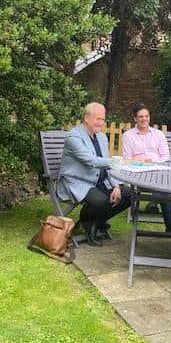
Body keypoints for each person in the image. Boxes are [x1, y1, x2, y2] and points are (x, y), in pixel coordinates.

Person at [57, 102, 131, 246]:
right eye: (97, 118)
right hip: (77, 182)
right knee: (102, 200)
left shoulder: (102, 137)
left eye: (102, 119)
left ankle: (94, 220)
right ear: (86, 118)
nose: (100, 123)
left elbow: (106, 165)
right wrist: (118, 161)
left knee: (128, 194)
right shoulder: (74, 137)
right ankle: (89, 220)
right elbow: (91, 160)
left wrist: (116, 185)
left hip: (98, 181)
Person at [122, 103, 171, 234]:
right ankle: (167, 223)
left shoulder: (158, 135)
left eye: (146, 116)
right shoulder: (128, 136)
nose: (144, 119)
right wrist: (140, 162)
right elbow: (127, 158)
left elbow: (165, 156)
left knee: (164, 188)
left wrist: (152, 161)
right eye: (141, 116)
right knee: (164, 191)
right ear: (135, 118)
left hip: (157, 169)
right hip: (138, 171)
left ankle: (165, 220)